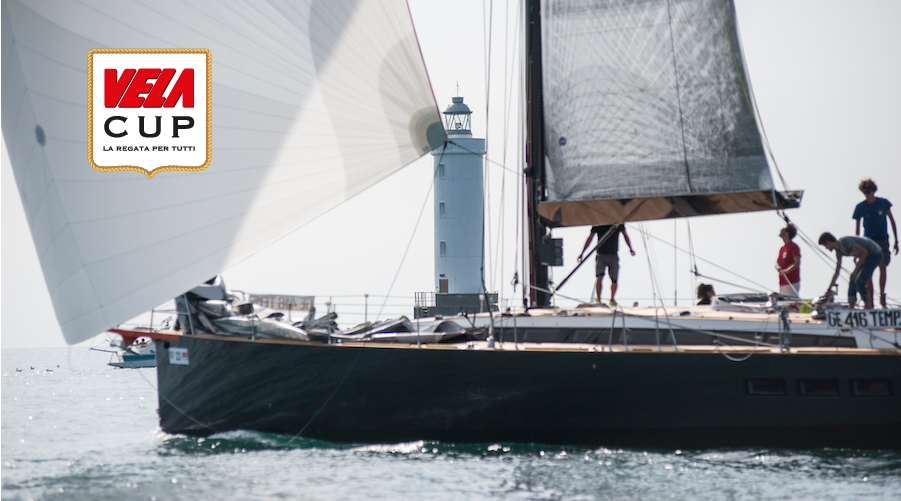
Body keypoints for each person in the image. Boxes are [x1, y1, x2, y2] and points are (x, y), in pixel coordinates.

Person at [852, 178, 898, 308]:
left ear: (873, 191)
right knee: (868, 272)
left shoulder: (883, 203)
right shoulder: (860, 207)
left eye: (868, 192)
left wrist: (896, 240)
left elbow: (892, 221)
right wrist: (856, 250)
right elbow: (857, 229)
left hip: (882, 239)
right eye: (864, 192)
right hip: (867, 241)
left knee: (883, 266)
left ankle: (882, 298)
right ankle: (870, 302)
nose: (867, 195)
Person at [818, 232, 883, 309]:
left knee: (859, 281)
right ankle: (851, 308)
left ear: (828, 242)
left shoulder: (845, 242)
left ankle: (868, 306)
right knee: (852, 280)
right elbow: (837, 271)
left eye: (825, 245)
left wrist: (855, 271)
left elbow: (864, 253)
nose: (826, 248)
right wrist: (829, 289)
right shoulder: (839, 252)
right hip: (866, 257)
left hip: (875, 254)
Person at [577, 224, 635, 306]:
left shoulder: (618, 224)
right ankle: (598, 298)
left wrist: (630, 248)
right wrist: (582, 253)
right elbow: (590, 238)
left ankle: (612, 299)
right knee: (599, 276)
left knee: (614, 280)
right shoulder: (599, 223)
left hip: (613, 255)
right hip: (601, 255)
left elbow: (625, 236)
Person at [775, 223, 801, 297]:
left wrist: (787, 270)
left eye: (784, 229)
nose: (781, 230)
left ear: (787, 233)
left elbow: (797, 263)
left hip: (791, 282)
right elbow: (777, 262)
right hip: (782, 282)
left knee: (791, 301)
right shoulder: (782, 248)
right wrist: (778, 267)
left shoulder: (793, 247)